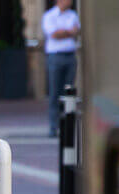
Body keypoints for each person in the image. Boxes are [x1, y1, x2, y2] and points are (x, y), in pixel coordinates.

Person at [42, 0, 78, 137]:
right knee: (54, 92)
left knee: (69, 92)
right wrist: (68, 32)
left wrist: (63, 32)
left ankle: (68, 125)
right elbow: (53, 34)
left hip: (70, 56)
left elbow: (75, 31)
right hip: (55, 57)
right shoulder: (49, 16)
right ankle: (53, 126)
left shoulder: (73, 15)